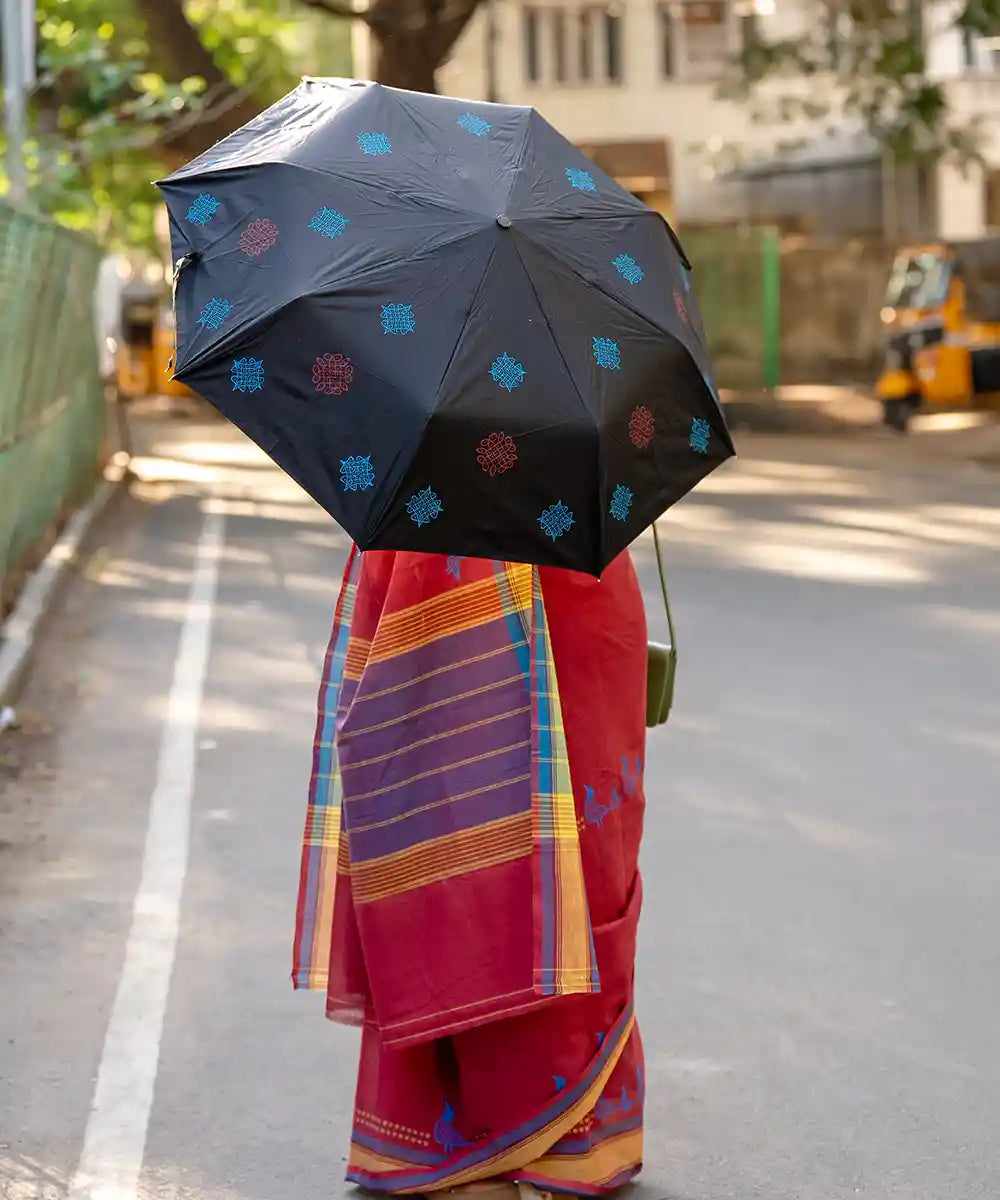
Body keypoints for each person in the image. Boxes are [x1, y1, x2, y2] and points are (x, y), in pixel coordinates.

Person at [294, 546, 648, 1195]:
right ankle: (464, 1135)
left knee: (585, 863)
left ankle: (559, 1130)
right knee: (444, 847)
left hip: (567, 587)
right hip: (434, 581)